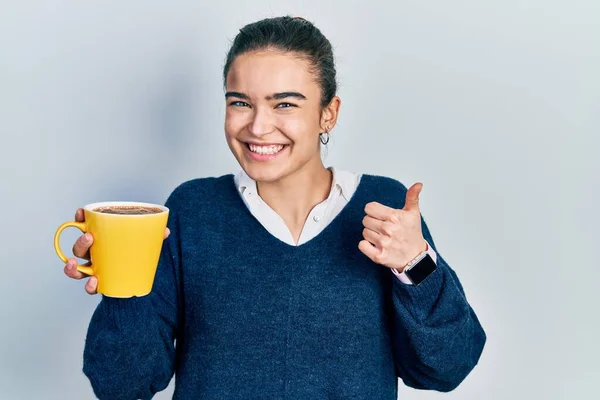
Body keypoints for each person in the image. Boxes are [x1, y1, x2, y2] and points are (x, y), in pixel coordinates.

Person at [63, 16, 486, 400]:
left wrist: (417, 266)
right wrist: (122, 285)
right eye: (240, 102)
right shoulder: (193, 210)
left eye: (285, 103)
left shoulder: (384, 209)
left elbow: (445, 370)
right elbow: (123, 385)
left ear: (328, 113)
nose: (258, 126)